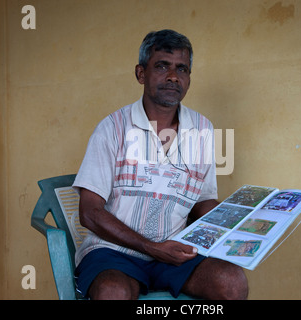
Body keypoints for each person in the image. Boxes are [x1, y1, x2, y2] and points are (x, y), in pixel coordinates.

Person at [73, 29, 248, 300]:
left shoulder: (202, 129)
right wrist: (151, 247)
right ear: (141, 73)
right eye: (162, 66)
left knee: (231, 283)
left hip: (175, 252)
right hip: (113, 251)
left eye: (182, 69)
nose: (173, 77)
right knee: (112, 292)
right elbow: (90, 212)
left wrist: (240, 229)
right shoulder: (112, 129)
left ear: (189, 78)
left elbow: (203, 202)